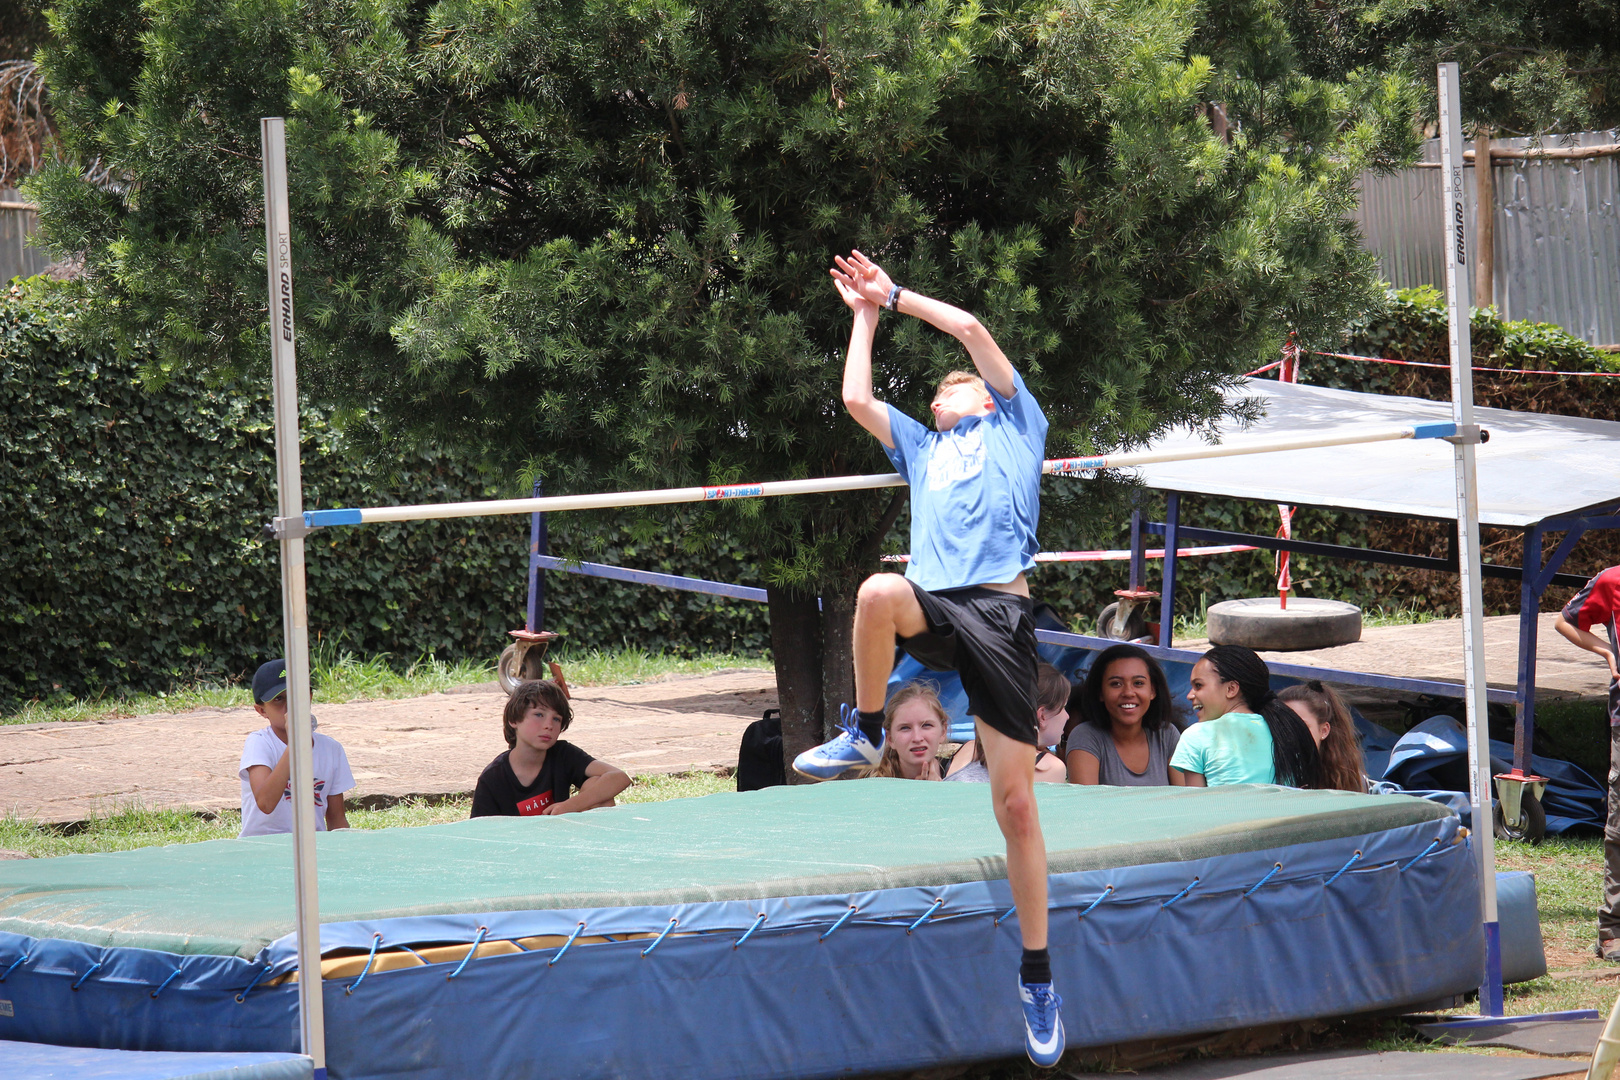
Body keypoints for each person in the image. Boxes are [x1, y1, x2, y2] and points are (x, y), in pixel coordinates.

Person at [791, 250, 1064, 1065]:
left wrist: (898, 294)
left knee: (1016, 808)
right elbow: (854, 396)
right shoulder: (918, 446)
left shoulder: (1018, 425)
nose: (941, 392)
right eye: (938, 390)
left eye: (955, 385)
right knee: (877, 592)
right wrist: (863, 316)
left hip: (1001, 613)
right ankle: (867, 730)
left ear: (986, 396)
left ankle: (1039, 977)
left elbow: (974, 328)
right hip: (937, 603)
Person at [1553, 566, 1620, 960]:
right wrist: (1606, 651)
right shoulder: (1611, 581)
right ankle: (1612, 928)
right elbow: (1566, 622)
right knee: (1619, 826)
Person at [471, 679, 630, 817]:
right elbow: (479, 835)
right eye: (539, 715)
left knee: (595, 784)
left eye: (556, 719)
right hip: (519, 847)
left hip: (562, 839)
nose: (549, 725)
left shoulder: (562, 754)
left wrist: (568, 806)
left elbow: (618, 777)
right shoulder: (493, 778)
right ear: (514, 719)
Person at [1170, 645, 1322, 788]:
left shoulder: (1196, 736)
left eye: (1198, 685)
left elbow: (1197, 807)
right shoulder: (1285, 730)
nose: (1190, 695)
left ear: (1231, 689)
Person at [239, 658, 354, 838]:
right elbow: (266, 803)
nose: (289, 705)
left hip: (312, 849)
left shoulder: (331, 749)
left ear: (309, 697)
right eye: (278, 699)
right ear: (261, 711)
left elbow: (337, 819)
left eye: (296, 695)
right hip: (263, 848)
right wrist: (295, 744)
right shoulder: (259, 743)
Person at [1066, 644, 1179, 786]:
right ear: (1101, 692)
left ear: (1152, 691)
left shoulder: (1167, 735)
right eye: (1116, 684)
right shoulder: (1085, 737)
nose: (1128, 693)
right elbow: (1087, 805)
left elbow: (1184, 801)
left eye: (1138, 683)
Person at [947, 664, 1070, 783]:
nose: (1067, 716)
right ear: (1042, 716)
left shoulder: (971, 748)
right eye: (1063, 707)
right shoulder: (1050, 767)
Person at [1277, 681, 1367, 793]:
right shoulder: (1267, 773)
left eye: (1301, 727)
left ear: (1324, 731)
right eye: (1282, 726)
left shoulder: (1349, 780)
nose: (1290, 734)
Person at [863, 683, 950, 780]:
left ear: (943, 731)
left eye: (926, 725)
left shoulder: (959, 774)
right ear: (890, 738)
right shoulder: (872, 785)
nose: (917, 738)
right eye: (905, 728)